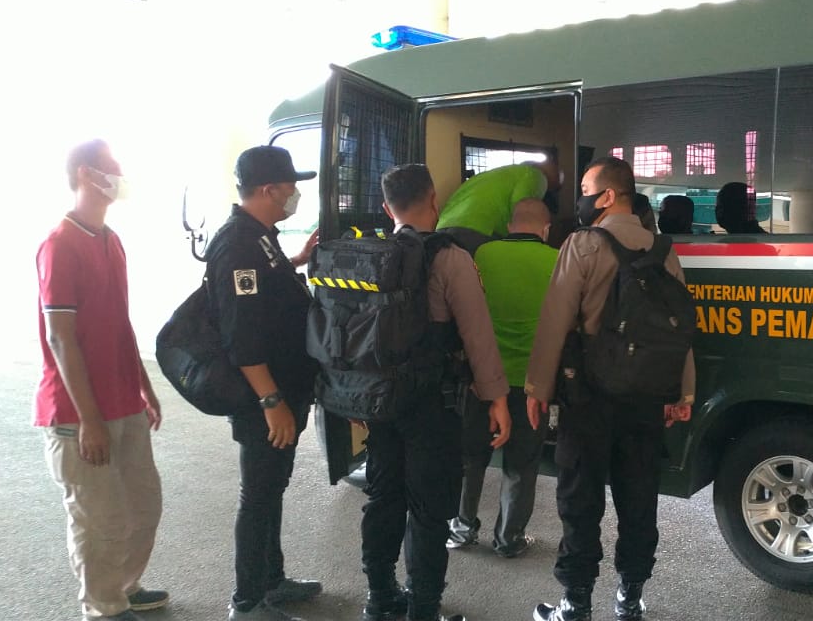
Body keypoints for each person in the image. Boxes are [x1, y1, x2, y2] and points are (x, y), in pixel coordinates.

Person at [524, 157, 695, 621]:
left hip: (588, 397)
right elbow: (677, 330)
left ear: (607, 196)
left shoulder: (582, 244)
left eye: (585, 189)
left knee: (579, 498)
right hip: (646, 398)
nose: (580, 198)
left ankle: (575, 603)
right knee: (639, 497)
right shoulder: (664, 250)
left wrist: (537, 388)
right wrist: (682, 394)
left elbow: (555, 321)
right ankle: (630, 598)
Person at [360, 164, 513, 621]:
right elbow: (477, 335)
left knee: (383, 497)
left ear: (387, 208)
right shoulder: (450, 258)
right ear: (434, 201)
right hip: (432, 403)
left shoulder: (372, 254)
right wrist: (497, 398)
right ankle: (423, 608)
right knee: (428, 509)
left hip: (380, 400)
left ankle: (379, 597)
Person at [37, 139, 167, 621]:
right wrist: (89, 420)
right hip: (77, 413)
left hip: (123, 401)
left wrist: (144, 386)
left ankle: (123, 588)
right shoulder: (59, 244)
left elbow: (119, 321)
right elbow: (60, 338)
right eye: (112, 167)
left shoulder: (111, 240)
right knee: (100, 519)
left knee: (142, 508)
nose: (120, 175)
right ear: (86, 174)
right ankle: (103, 607)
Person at [205, 146, 323, 621]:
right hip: (264, 398)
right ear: (269, 189)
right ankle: (248, 602)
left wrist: (298, 259)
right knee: (257, 496)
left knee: (272, 489)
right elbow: (242, 337)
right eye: (291, 186)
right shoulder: (238, 244)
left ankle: (272, 580)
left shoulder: (261, 239)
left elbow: (263, 290)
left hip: (284, 390)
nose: (296, 193)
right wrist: (272, 401)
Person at [447, 198, 558, 558]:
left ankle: (462, 529)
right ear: (545, 229)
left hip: (482, 377)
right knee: (522, 463)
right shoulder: (557, 260)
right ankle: (509, 538)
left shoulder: (482, 254)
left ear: (509, 226)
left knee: (470, 458)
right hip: (531, 383)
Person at [437, 158, 562, 252]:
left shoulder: (500, 173)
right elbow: (522, 210)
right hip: (479, 230)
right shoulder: (536, 175)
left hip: (442, 228)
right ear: (553, 176)